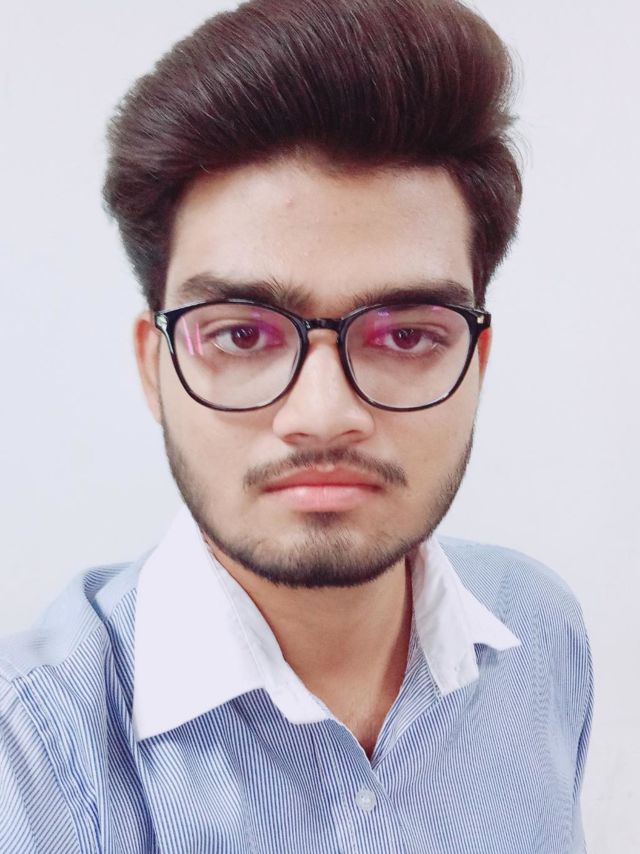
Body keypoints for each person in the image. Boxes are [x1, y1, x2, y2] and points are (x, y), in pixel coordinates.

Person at [0, 0, 593, 851]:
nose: (323, 416)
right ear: (155, 368)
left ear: (476, 363)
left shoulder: (541, 632)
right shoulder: (30, 755)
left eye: (406, 336)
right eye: (241, 335)